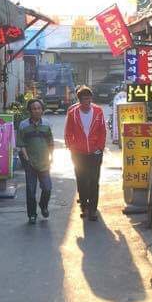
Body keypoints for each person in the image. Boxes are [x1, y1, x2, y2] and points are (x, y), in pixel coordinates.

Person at [64, 85, 107, 220]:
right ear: (79, 100)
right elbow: (68, 132)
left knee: (94, 180)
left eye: (89, 99)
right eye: (84, 99)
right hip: (78, 153)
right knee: (82, 180)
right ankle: (84, 206)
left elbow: (102, 131)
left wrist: (99, 147)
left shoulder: (98, 111)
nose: (87, 102)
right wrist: (72, 147)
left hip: (95, 152)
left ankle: (93, 209)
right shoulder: (73, 113)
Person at [16, 98, 54, 224]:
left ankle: (43, 206)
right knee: (31, 191)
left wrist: (51, 156)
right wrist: (26, 159)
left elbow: (50, 143)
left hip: (44, 162)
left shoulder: (47, 124)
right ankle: (32, 215)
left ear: (42, 110)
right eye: (33, 108)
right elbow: (21, 144)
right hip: (30, 163)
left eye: (38, 108)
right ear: (29, 111)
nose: (36, 111)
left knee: (47, 188)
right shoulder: (23, 125)